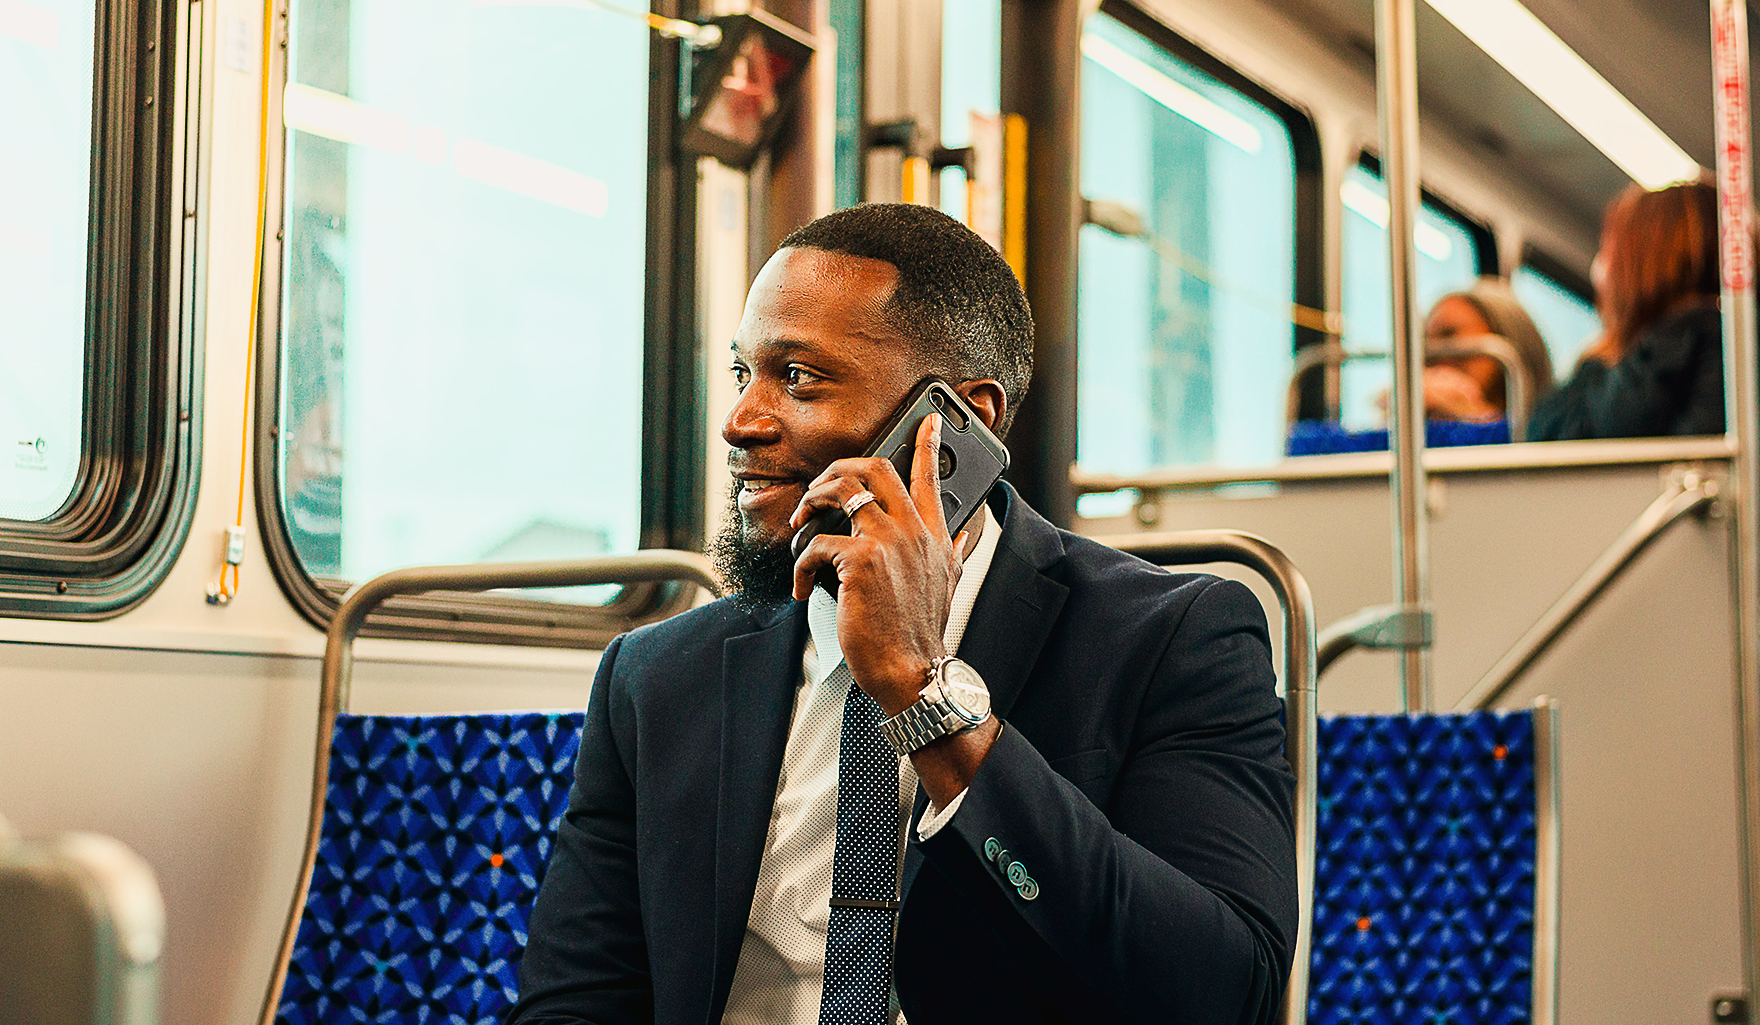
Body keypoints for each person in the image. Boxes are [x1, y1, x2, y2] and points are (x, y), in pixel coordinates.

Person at [507, 204, 1296, 1025]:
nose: (740, 421)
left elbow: (1223, 987)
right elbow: (577, 1000)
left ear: (960, 425)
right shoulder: (659, 675)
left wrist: (925, 696)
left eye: (800, 378)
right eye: (745, 374)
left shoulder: (1172, 637)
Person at [1528, 181, 1723, 441]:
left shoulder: (1692, 342)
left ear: (1641, 265)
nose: (1599, 269)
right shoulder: (1638, 357)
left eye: (1609, 252)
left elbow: (1551, 438)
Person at [1421, 278, 1555, 423]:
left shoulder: (1549, 427)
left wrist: (1471, 417)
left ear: (1505, 336)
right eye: (1425, 341)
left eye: (1449, 334)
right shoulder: (1418, 425)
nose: (1431, 353)